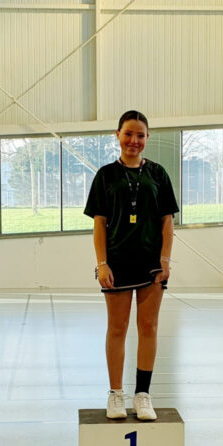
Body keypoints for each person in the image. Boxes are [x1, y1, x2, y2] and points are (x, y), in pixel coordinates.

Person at [84, 110, 178, 421]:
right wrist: (102, 263)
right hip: (117, 262)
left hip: (151, 264)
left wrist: (165, 259)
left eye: (140, 135)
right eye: (128, 134)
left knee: (148, 327)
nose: (134, 140)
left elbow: (167, 221)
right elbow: (99, 224)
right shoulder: (105, 175)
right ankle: (115, 394)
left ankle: (143, 394)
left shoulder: (159, 174)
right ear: (118, 135)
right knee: (117, 328)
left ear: (147, 138)